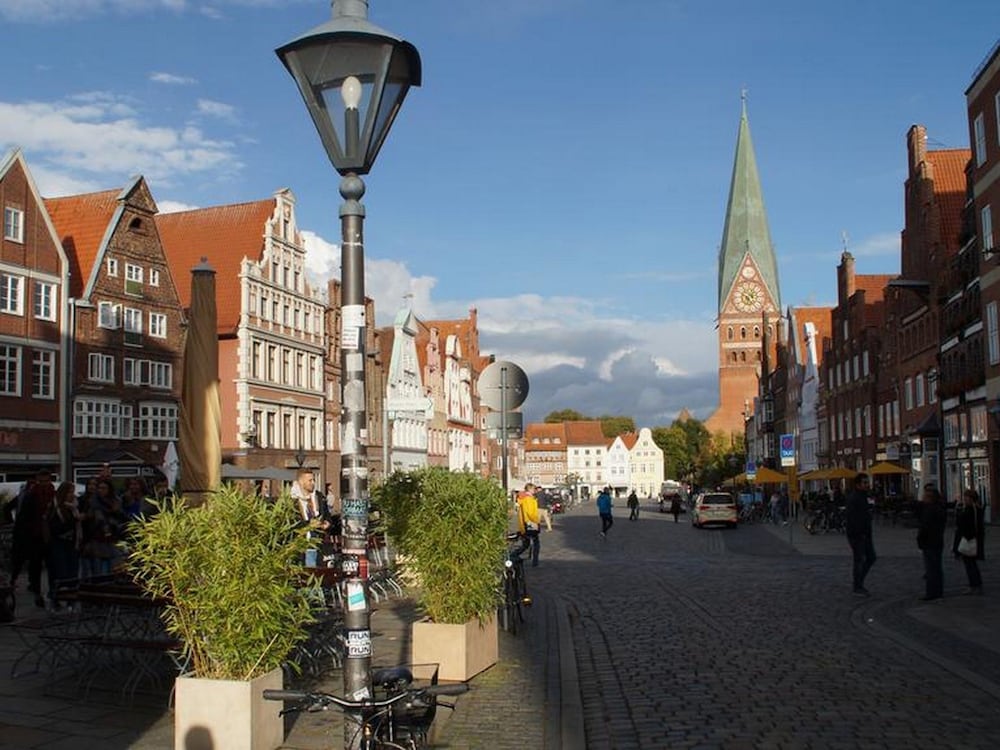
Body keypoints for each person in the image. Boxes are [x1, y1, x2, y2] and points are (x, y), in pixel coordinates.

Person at [46, 481, 81, 607]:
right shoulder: (56, 508)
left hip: (72, 543)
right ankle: (55, 598)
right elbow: (54, 528)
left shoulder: (74, 507)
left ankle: (71, 600)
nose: (72, 495)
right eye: (69, 492)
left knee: (72, 573)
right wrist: (73, 521)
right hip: (58, 543)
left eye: (73, 492)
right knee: (60, 572)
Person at [845, 472, 876, 596]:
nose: (867, 485)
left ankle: (858, 583)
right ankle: (857, 586)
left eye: (868, 482)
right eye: (865, 483)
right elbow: (853, 518)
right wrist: (859, 532)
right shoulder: (855, 498)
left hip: (865, 533)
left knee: (870, 558)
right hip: (858, 535)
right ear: (858, 485)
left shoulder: (864, 496)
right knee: (860, 559)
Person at [917, 484, 947, 601]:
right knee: (937, 568)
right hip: (938, 541)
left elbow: (925, 527)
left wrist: (920, 540)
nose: (923, 497)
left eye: (925, 496)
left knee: (931, 568)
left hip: (929, 542)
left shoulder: (929, 510)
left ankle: (931, 592)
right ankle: (938, 591)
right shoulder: (940, 508)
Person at [953, 488, 985, 595]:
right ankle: (976, 584)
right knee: (971, 564)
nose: (965, 499)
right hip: (972, 539)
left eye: (967, 497)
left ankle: (974, 585)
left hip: (969, 540)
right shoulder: (975, 510)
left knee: (970, 564)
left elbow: (963, 525)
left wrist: (959, 513)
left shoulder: (970, 510)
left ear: (972, 499)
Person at [515, 483, 541, 567]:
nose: (535, 491)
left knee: (526, 543)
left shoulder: (524, 498)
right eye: (534, 489)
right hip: (530, 523)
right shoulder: (528, 499)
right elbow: (530, 513)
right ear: (529, 489)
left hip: (525, 523)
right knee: (535, 543)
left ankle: (514, 555)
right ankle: (535, 562)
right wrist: (536, 521)